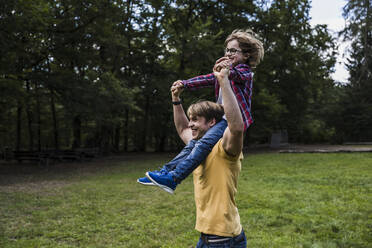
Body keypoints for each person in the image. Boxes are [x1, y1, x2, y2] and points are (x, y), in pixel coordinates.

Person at [137, 29, 264, 194]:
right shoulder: (222, 74)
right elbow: (207, 79)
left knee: (202, 143)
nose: (228, 53)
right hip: (220, 120)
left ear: (246, 55)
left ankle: (174, 178)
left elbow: (236, 75)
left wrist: (225, 73)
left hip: (231, 121)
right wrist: (185, 83)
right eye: (227, 50)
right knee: (192, 145)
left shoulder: (244, 71)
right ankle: (166, 172)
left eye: (233, 50)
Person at [162, 63, 247, 247]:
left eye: (196, 120)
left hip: (223, 239)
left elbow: (237, 128)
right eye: (190, 119)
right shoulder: (197, 147)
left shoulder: (225, 148)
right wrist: (176, 100)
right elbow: (183, 128)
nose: (191, 124)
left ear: (211, 123)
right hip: (206, 237)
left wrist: (224, 82)